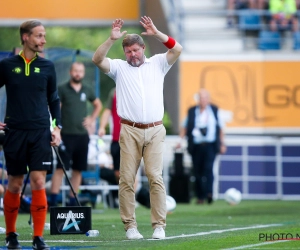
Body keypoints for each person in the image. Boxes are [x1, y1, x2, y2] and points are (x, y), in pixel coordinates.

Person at [92, 16, 182, 240]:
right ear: (124, 52)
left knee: (155, 176)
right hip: (129, 130)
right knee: (126, 178)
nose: (132, 54)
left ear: (143, 48)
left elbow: (177, 49)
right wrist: (111, 39)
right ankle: (130, 226)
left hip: (155, 129)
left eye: (135, 50)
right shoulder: (119, 68)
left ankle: (159, 226)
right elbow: (97, 59)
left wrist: (157, 33)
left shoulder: (159, 63)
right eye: (128, 51)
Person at [0, 19, 62, 250]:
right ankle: (11, 235)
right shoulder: (7, 65)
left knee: (38, 181)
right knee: (15, 184)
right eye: (39, 36)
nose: (43, 40)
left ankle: (38, 237)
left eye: (44, 36)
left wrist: (57, 128)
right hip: (14, 132)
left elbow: (54, 100)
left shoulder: (48, 67)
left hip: (39, 132)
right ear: (25, 37)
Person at [49, 62, 102, 207]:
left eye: (80, 71)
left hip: (82, 135)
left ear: (83, 73)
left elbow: (98, 104)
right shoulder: (62, 89)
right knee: (61, 168)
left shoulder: (87, 89)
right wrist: (55, 127)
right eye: (75, 71)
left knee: (78, 169)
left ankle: (73, 200)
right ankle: (53, 201)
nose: (78, 73)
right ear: (70, 72)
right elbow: (55, 109)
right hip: (66, 134)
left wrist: (92, 119)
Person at [98, 87, 151, 209]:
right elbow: (107, 111)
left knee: (133, 170)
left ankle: (130, 200)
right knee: (118, 173)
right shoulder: (114, 92)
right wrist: (102, 127)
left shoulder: (136, 89)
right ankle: (127, 196)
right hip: (116, 139)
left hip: (132, 137)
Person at [178, 89, 226, 205]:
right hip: (196, 146)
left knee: (209, 169)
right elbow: (185, 127)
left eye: (205, 98)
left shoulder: (214, 110)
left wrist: (223, 143)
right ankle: (200, 196)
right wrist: (180, 140)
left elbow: (220, 128)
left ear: (208, 99)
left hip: (210, 145)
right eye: (201, 98)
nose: (203, 100)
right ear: (198, 100)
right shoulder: (192, 111)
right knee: (197, 171)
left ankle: (209, 193)